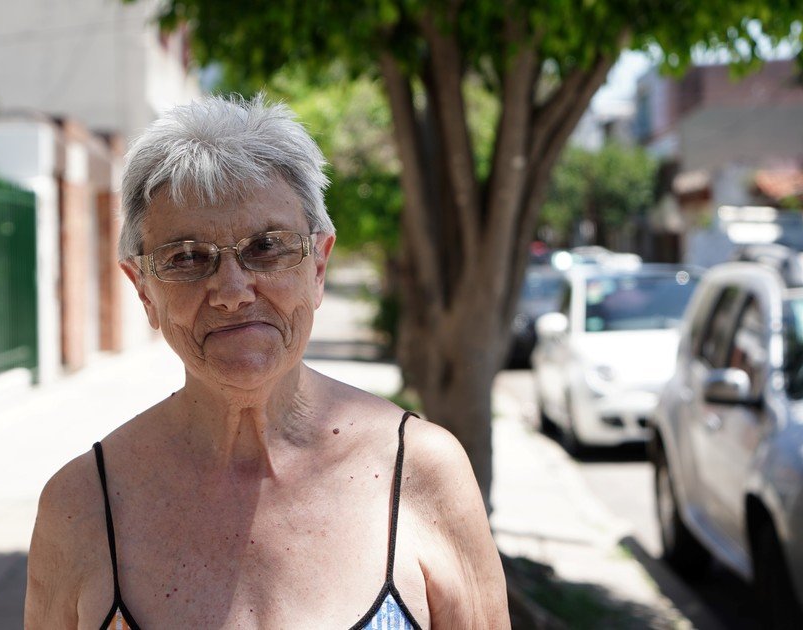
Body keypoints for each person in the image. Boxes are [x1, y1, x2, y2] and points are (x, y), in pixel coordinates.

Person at [25, 95, 509, 629]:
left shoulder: (421, 473)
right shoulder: (80, 507)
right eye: (186, 258)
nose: (232, 291)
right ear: (143, 290)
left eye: (267, 246)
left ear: (318, 266)